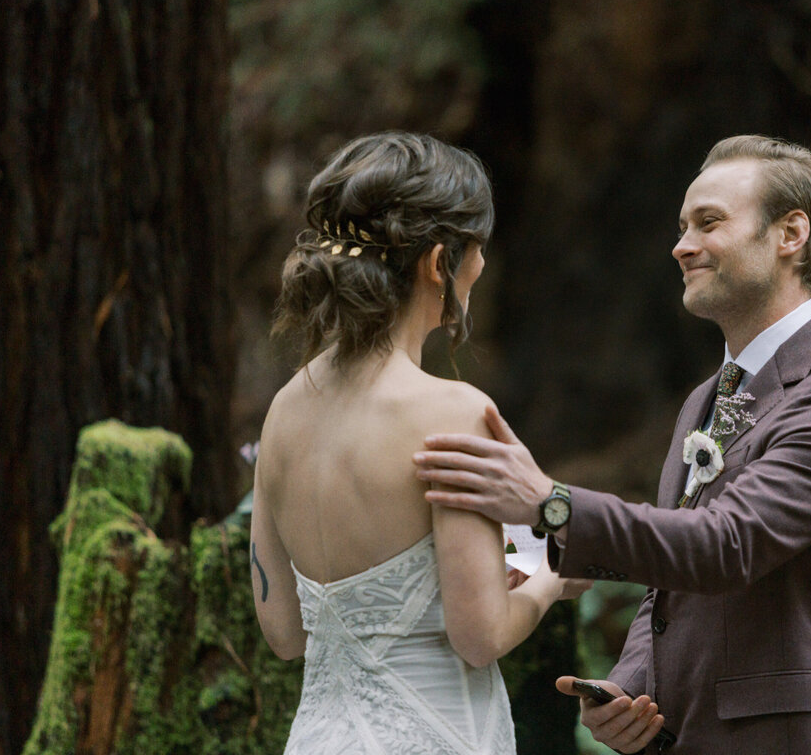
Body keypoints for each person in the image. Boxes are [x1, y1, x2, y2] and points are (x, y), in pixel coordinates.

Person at [413, 135, 811, 754]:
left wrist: (552, 504)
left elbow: (726, 546)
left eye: (709, 223)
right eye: (682, 226)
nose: (681, 246)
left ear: (791, 234)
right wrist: (629, 689)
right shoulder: (705, 399)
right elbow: (668, 584)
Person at [249, 131, 586, 755]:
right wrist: (553, 576)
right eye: (477, 250)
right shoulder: (451, 413)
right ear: (439, 263)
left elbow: (284, 634)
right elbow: (480, 635)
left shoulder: (284, 410)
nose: (480, 267)